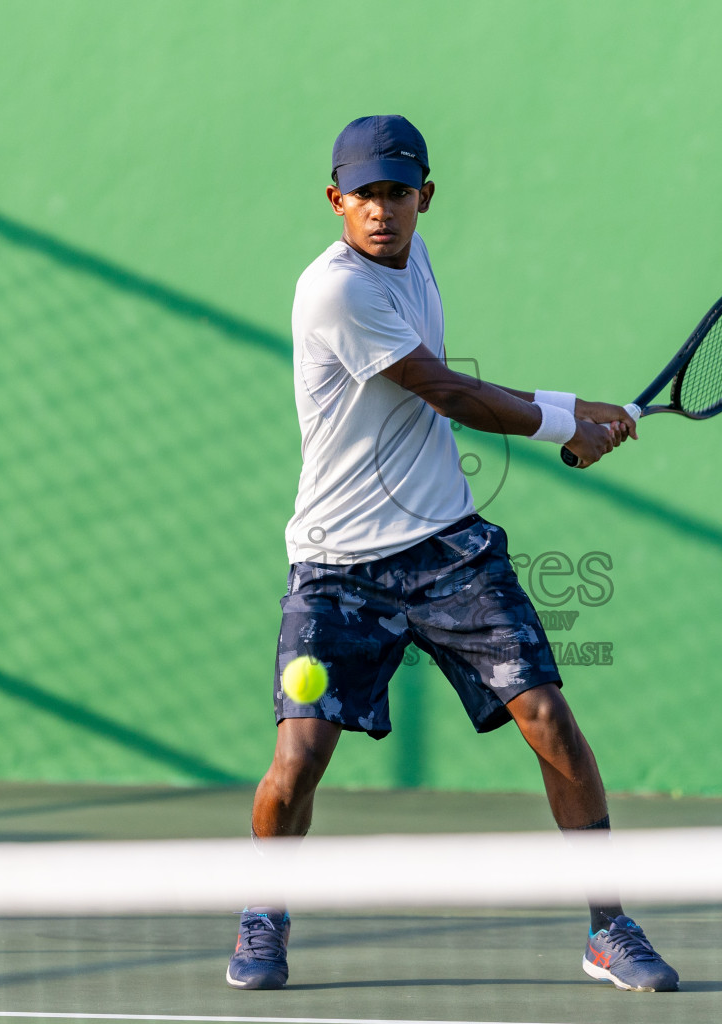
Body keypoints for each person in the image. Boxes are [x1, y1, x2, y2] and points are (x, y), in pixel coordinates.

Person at [226, 115, 679, 994]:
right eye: (364, 194)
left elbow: (459, 377)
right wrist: (562, 429)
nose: (381, 209)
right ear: (336, 202)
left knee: (549, 720)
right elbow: (443, 391)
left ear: (424, 198)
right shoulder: (335, 291)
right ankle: (263, 909)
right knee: (302, 754)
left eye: (398, 192)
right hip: (336, 563)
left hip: (448, 551)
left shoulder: (414, 261)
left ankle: (608, 927)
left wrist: (579, 406)